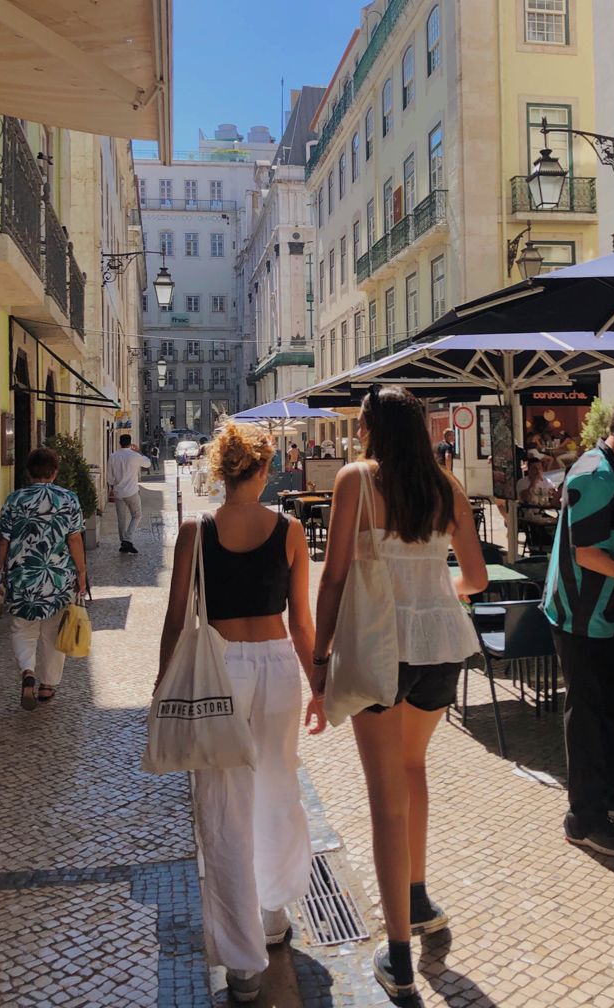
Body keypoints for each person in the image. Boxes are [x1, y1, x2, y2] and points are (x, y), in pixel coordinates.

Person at [311, 386, 487, 999]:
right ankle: (416, 897)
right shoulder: (447, 488)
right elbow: (476, 577)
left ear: (370, 430)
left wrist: (319, 656)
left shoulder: (356, 481)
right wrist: (437, 594)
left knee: (385, 797)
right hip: (441, 645)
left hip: (382, 650)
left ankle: (398, 954)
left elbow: (333, 577)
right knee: (414, 769)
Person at [154, 422, 325, 1003]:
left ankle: (242, 966)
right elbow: (302, 623)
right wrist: (319, 686)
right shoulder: (292, 530)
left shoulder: (194, 531)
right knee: (278, 790)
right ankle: (273, 913)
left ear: (221, 471)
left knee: (223, 809)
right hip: (278, 667)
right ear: (262, 469)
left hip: (221, 669)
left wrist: (161, 690)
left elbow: (177, 621)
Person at [543, 393, 614, 858]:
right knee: (587, 714)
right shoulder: (594, 474)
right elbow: (586, 553)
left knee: (608, 703)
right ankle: (583, 817)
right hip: (578, 615)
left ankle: (609, 793)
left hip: (608, 614)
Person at [0, 447, 86, 710]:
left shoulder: (15, 499)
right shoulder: (68, 499)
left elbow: (3, 539)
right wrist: (82, 572)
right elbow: (74, 538)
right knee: (54, 631)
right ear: (55, 472)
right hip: (57, 578)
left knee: (22, 628)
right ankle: (46, 686)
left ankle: (27, 671)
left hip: (22, 577)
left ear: (28, 472)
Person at [106, 434, 151, 554]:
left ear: (119, 443)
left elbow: (109, 477)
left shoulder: (113, 456)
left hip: (118, 492)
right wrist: (139, 451)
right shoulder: (134, 456)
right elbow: (148, 464)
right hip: (131, 492)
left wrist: (112, 487)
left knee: (121, 518)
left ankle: (123, 542)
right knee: (137, 515)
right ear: (130, 443)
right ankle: (128, 539)